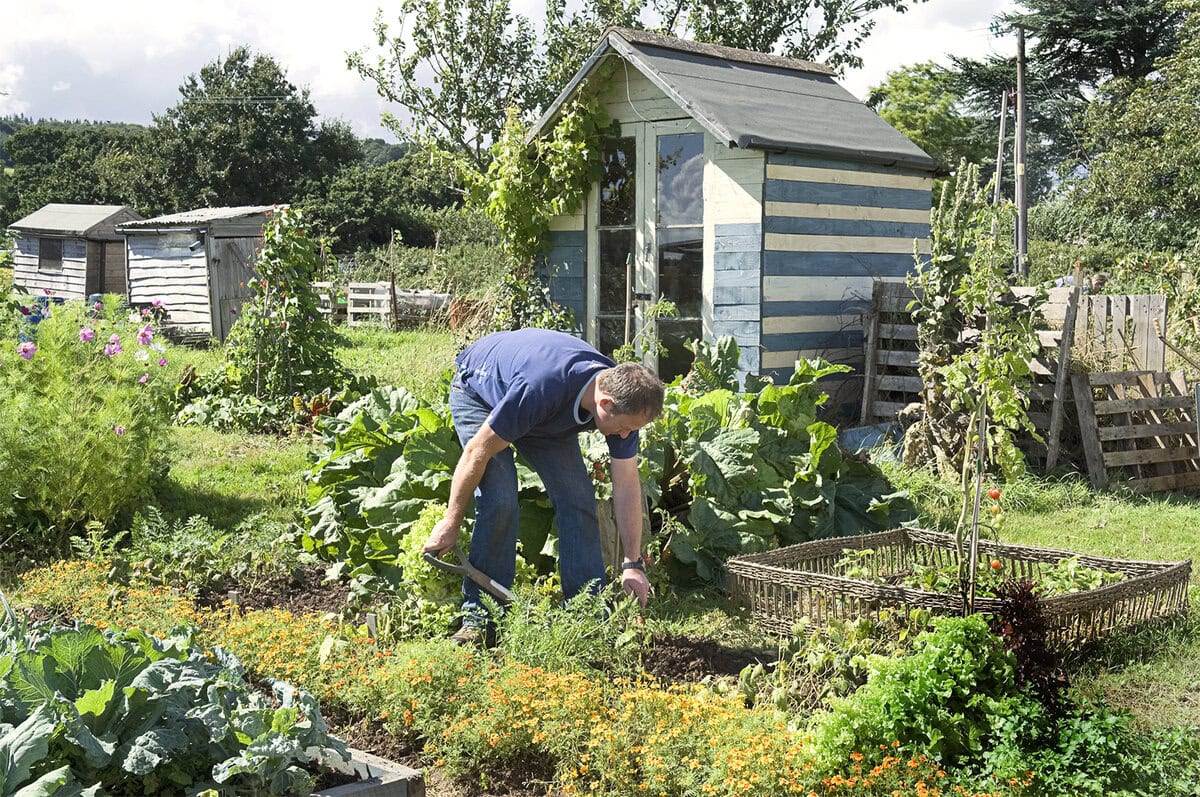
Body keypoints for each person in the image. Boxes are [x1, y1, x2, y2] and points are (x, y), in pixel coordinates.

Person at [423, 328, 665, 645]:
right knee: (500, 499)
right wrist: (451, 521)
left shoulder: (624, 402)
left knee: (578, 500)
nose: (624, 436)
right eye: (623, 429)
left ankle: (585, 617)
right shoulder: (542, 387)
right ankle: (481, 622)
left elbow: (627, 484)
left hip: (545, 414)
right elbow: (477, 451)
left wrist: (632, 563)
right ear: (604, 404)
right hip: (482, 396)